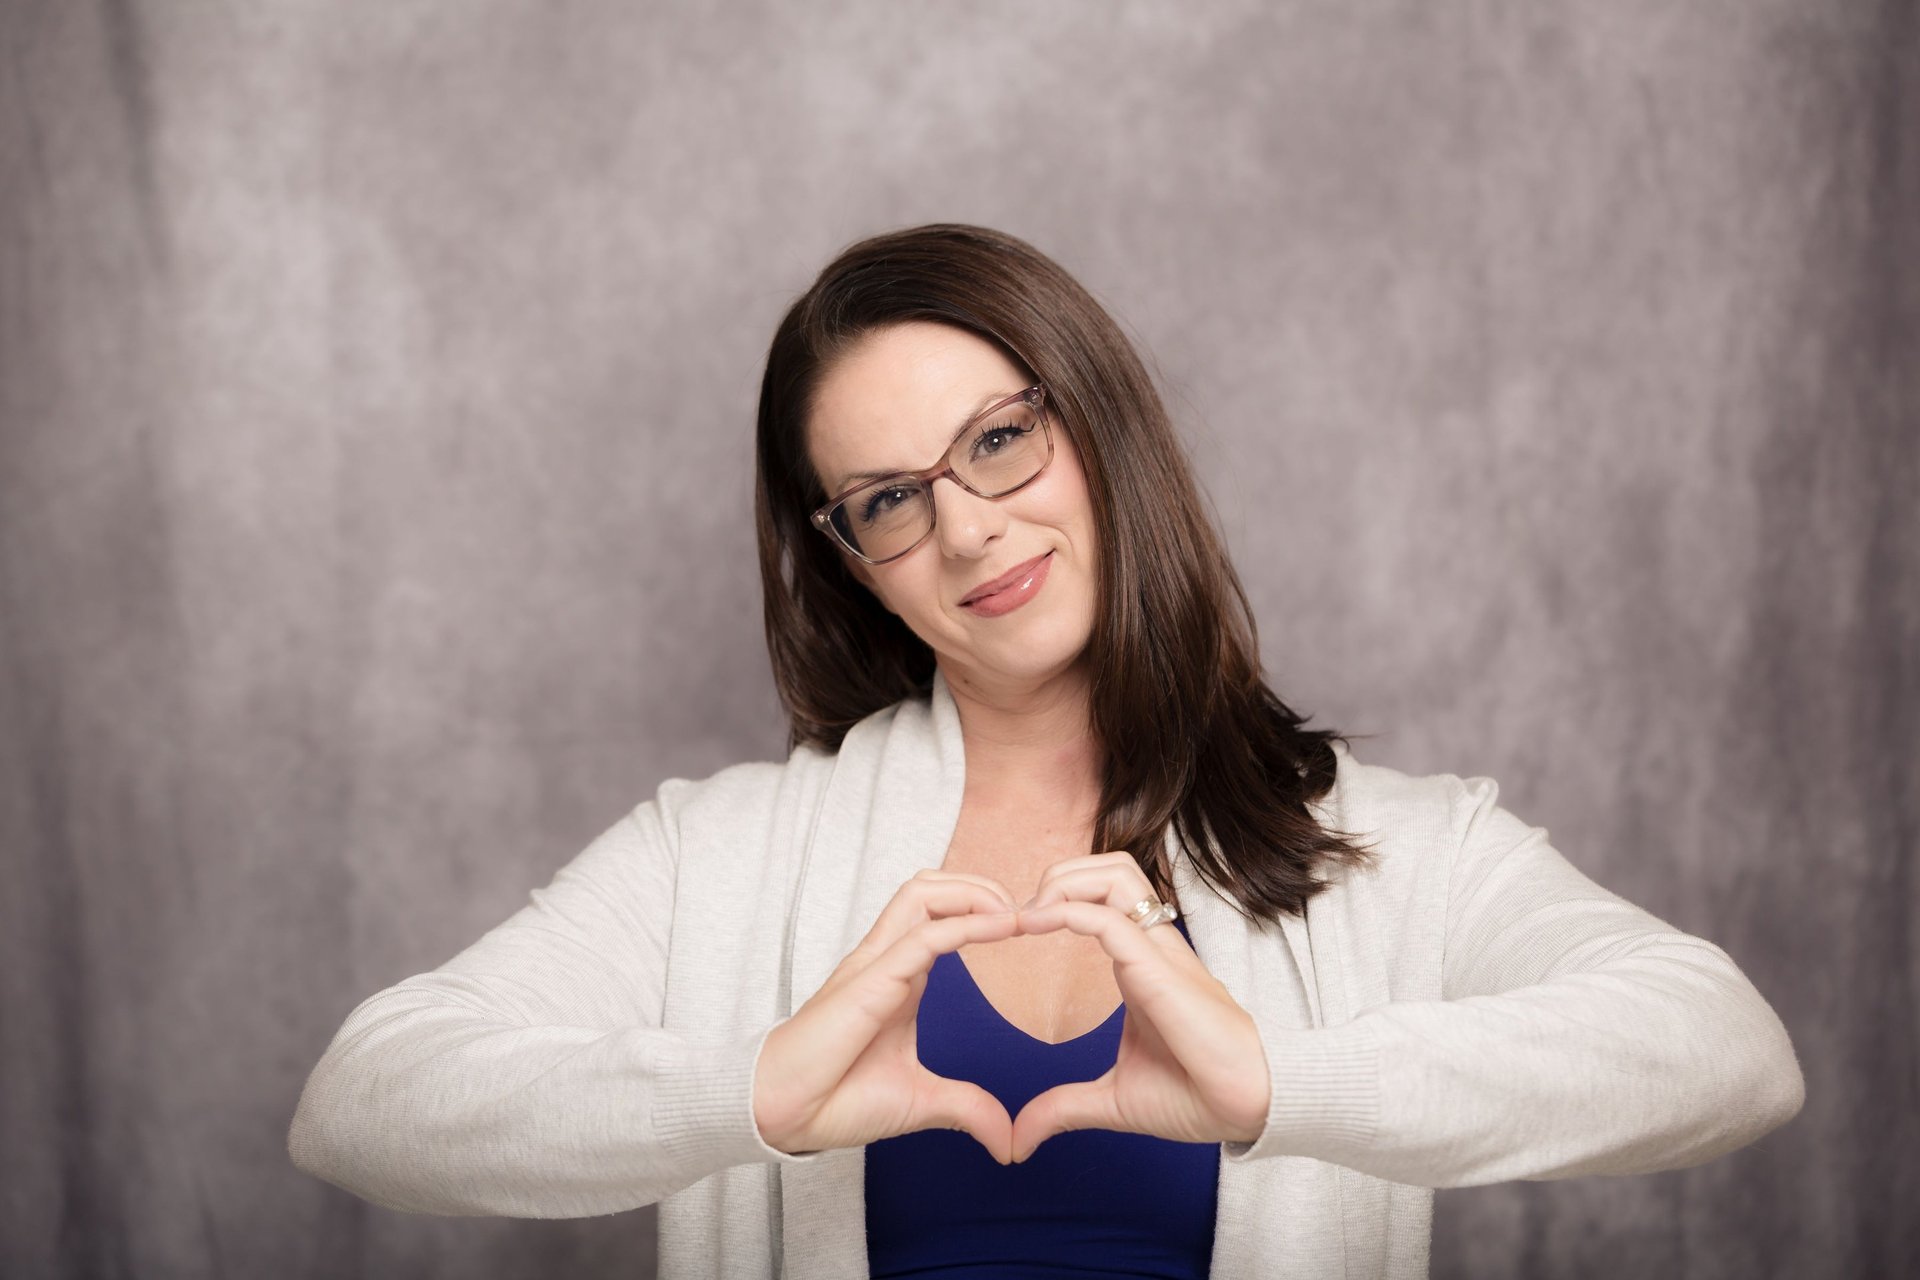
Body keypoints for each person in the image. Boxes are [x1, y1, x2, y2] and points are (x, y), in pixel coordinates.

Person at [288, 223, 1806, 1279]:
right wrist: (758, 1086)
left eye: (999, 440)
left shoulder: (1393, 846)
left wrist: (1278, 1083)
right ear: (851, 561)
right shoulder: (723, 853)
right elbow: (365, 1098)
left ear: (1099, 429)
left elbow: (1729, 1052)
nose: (965, 526)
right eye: (887, 500)